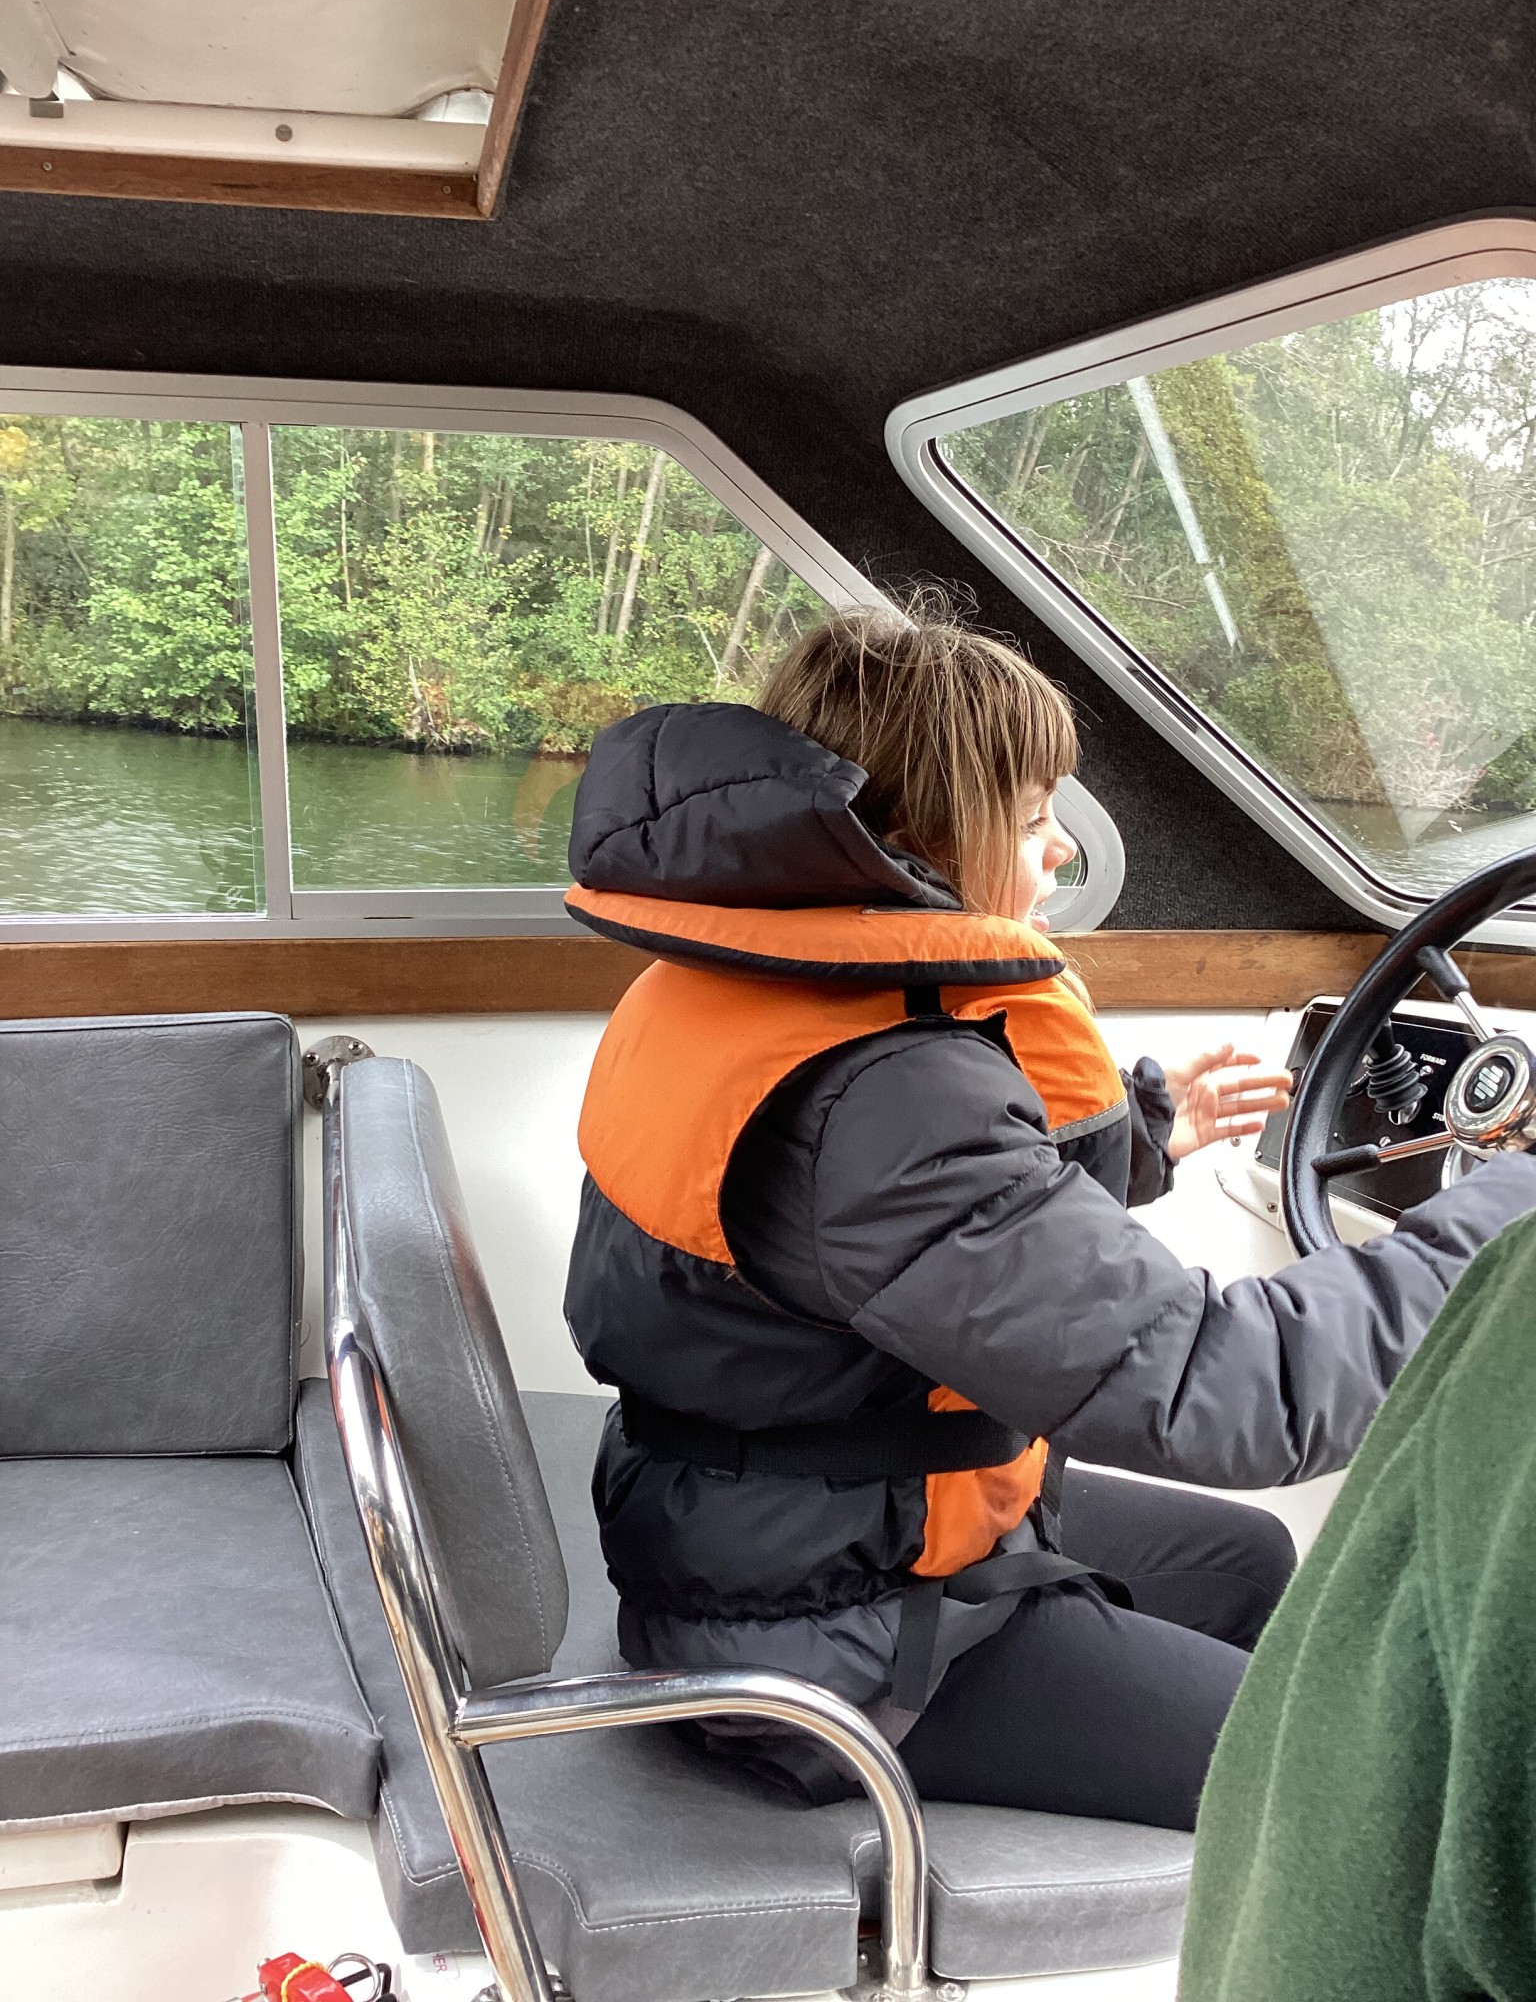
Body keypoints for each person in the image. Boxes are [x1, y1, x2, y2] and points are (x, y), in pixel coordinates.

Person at [561, 601, 1536, 1829]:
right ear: (921, 838)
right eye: (1033, 820)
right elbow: (1229, 1391)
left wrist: (1140, 1133)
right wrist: (1510, 1202)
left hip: (755, 1532)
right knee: (1377, 1780)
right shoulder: (885, 1096)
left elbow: (888, 1238)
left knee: (1247, 1562)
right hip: (823, 1637)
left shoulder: (743, 976)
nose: (1061, 854)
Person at [1178, 1204, 1536, 2002]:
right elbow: (1212, 1385)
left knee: (1255, 1560)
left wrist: (1141, 1136)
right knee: (1243, 1732)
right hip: (869, 1609)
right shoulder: (915, 1097)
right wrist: (1496, 1211)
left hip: (907, 1546)